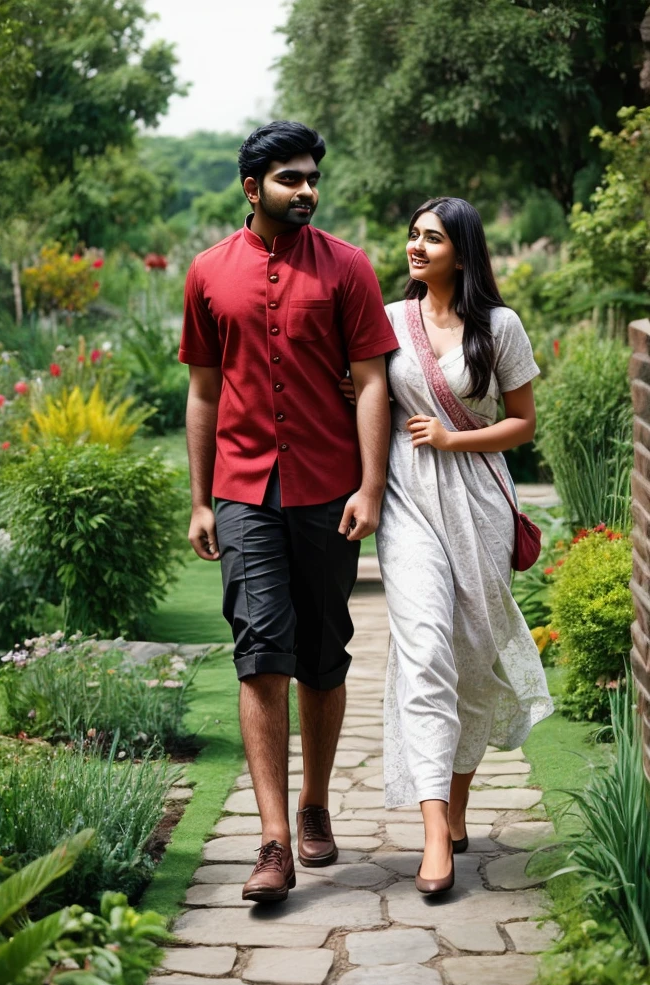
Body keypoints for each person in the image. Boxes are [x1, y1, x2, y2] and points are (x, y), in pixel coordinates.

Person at [179, 121, 399, 903]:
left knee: (324, 651)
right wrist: (200, 499)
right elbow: (203, 390)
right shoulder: (208, 273)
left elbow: (372, 381)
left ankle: (314, 803)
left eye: (312, 178)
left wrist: (369, 486)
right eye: (289, 180)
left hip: (327, 489)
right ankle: (273, 839)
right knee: (260, 650)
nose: (306, 190)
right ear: (252, 188)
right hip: (244, 493)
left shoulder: (347, 267)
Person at [342, 197, 553, 896]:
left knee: (467, 658)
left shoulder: (500, 326)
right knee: (425, 649)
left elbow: (522, 423)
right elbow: (372, 393)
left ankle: (456, 803)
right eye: (412, 235)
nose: (415, 246)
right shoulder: (389, 318)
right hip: (407, 504)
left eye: (431, 238)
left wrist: (457, 437)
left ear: (461, 252)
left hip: (480, 505)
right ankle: (435, 832)